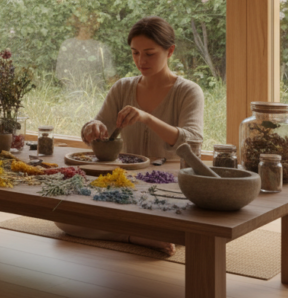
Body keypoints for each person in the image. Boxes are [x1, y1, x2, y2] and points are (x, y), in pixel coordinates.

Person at [57, 16, 204, 255]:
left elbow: (193, 140)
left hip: (169, 185)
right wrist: (91, 127)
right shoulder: (122, 87)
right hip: (124, 183)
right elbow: (97, 127)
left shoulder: (188, 91)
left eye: (149, 53)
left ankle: (144, 229)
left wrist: (147, 117)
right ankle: (132, 235)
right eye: (135, 53)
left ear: (170, 51)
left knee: (194, 222)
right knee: (63, 218)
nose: (140, 61)